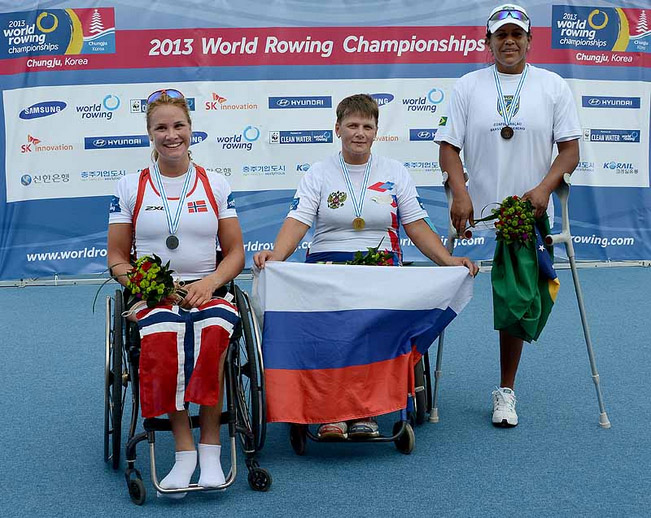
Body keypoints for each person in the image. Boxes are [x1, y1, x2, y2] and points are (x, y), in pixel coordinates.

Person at [254, 93, 478, 439]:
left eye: (367, 126)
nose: (360, 133)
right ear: (338, 129)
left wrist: (448, 261)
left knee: (373, 323)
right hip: (327, 266)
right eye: (352, 125)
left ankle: (366, 412)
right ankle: (331, 412)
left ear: (376, 132)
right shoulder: (319, 173)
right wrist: (277, 256)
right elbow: (298, 221)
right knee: (329, 329)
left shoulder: (394, 172)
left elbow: (416, 225)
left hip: (380, 268)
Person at [435, 4, 581, 427]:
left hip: (525, 211)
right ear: (489, 42)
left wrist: (544, 188)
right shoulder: (468, 86)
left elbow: (569, 151)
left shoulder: (552, 86)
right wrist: (460, 193)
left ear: (530, 41)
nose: (510, 41)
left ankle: (506, 390)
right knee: (442, 286)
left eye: (517, 34)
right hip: (475, 210)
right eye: (501, 35)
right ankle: (421, 382)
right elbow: (448, 148)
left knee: (516, 299)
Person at [107, 89, 245, 496]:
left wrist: (210, 283)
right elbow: (117, 258)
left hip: (207, 289)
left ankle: (211, 448)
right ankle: (184, 450)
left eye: (178, 126)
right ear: (149, 133)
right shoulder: (130, 186)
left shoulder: (215, 183)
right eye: (161, 128)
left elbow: (236, 252)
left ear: (191, 129)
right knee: (165, 334)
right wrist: (152, 287)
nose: (171, 135)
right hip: (154, 297)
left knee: (215, 329)